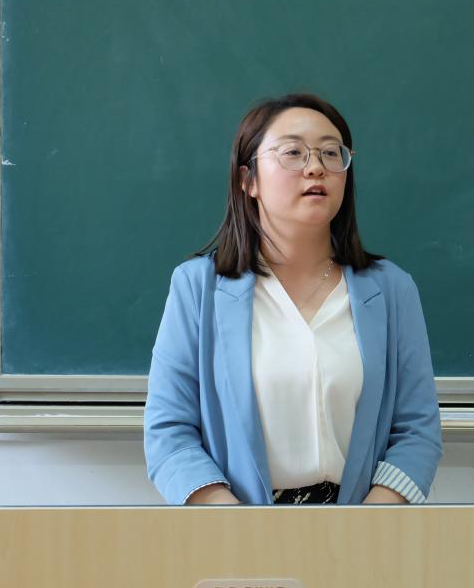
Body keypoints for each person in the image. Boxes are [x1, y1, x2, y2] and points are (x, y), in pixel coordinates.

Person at [144, 93, 442, 505]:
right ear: (248, 180)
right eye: (293, 153)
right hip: (233, 525)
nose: (315, 167)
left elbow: (417, 431)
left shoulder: (391, 289)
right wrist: (234, 524)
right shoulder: (198, 288)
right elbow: (169, 432)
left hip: (364, 524)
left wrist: (368, 525)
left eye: (330, 153)